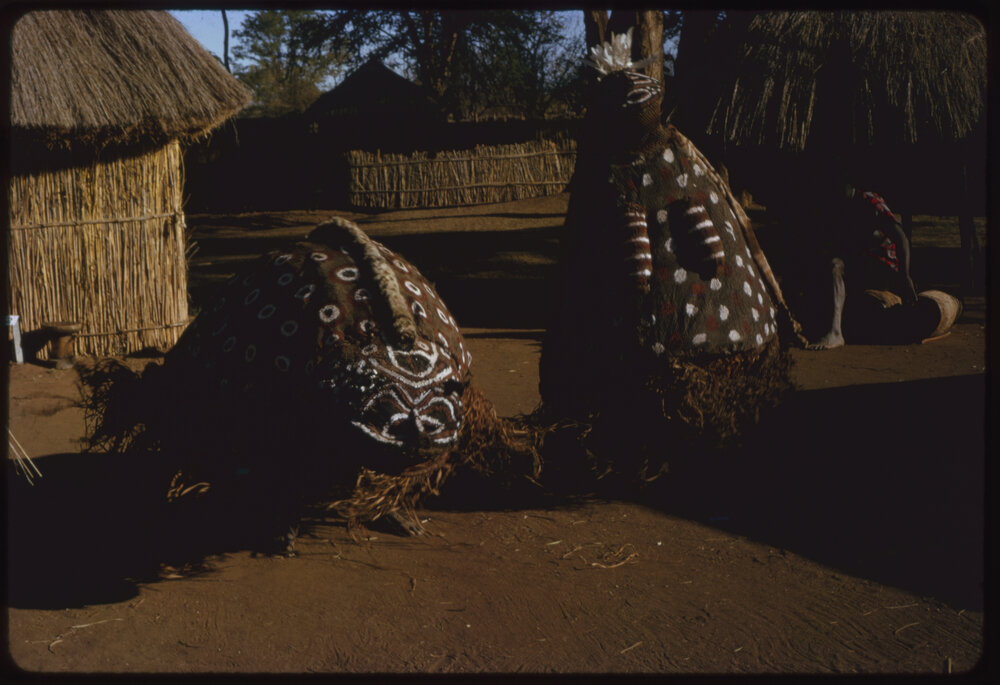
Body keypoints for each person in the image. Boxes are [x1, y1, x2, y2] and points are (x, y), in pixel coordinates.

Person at [807, 184, 919, 349]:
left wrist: (905, 275)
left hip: (884, 267)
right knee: (831, 267)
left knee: (836, 266)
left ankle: (835, 332)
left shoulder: (869, 201)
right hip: (864, 267)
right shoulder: (836, 208)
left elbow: (900, 237)